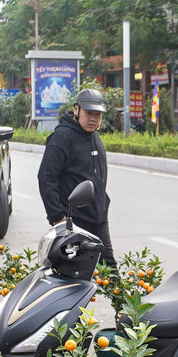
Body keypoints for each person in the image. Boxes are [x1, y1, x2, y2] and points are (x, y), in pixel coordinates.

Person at [38, 88, 116, 268]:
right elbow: (46, 177)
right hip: (74, 224)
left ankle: (122, 298)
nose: (93, 119)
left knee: (109, 268)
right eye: (89, 113)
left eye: (98, 114)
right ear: (76, 110)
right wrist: (58, 218)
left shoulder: (93, 136)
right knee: (73, 274)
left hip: (98, 219)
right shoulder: (61, 138)